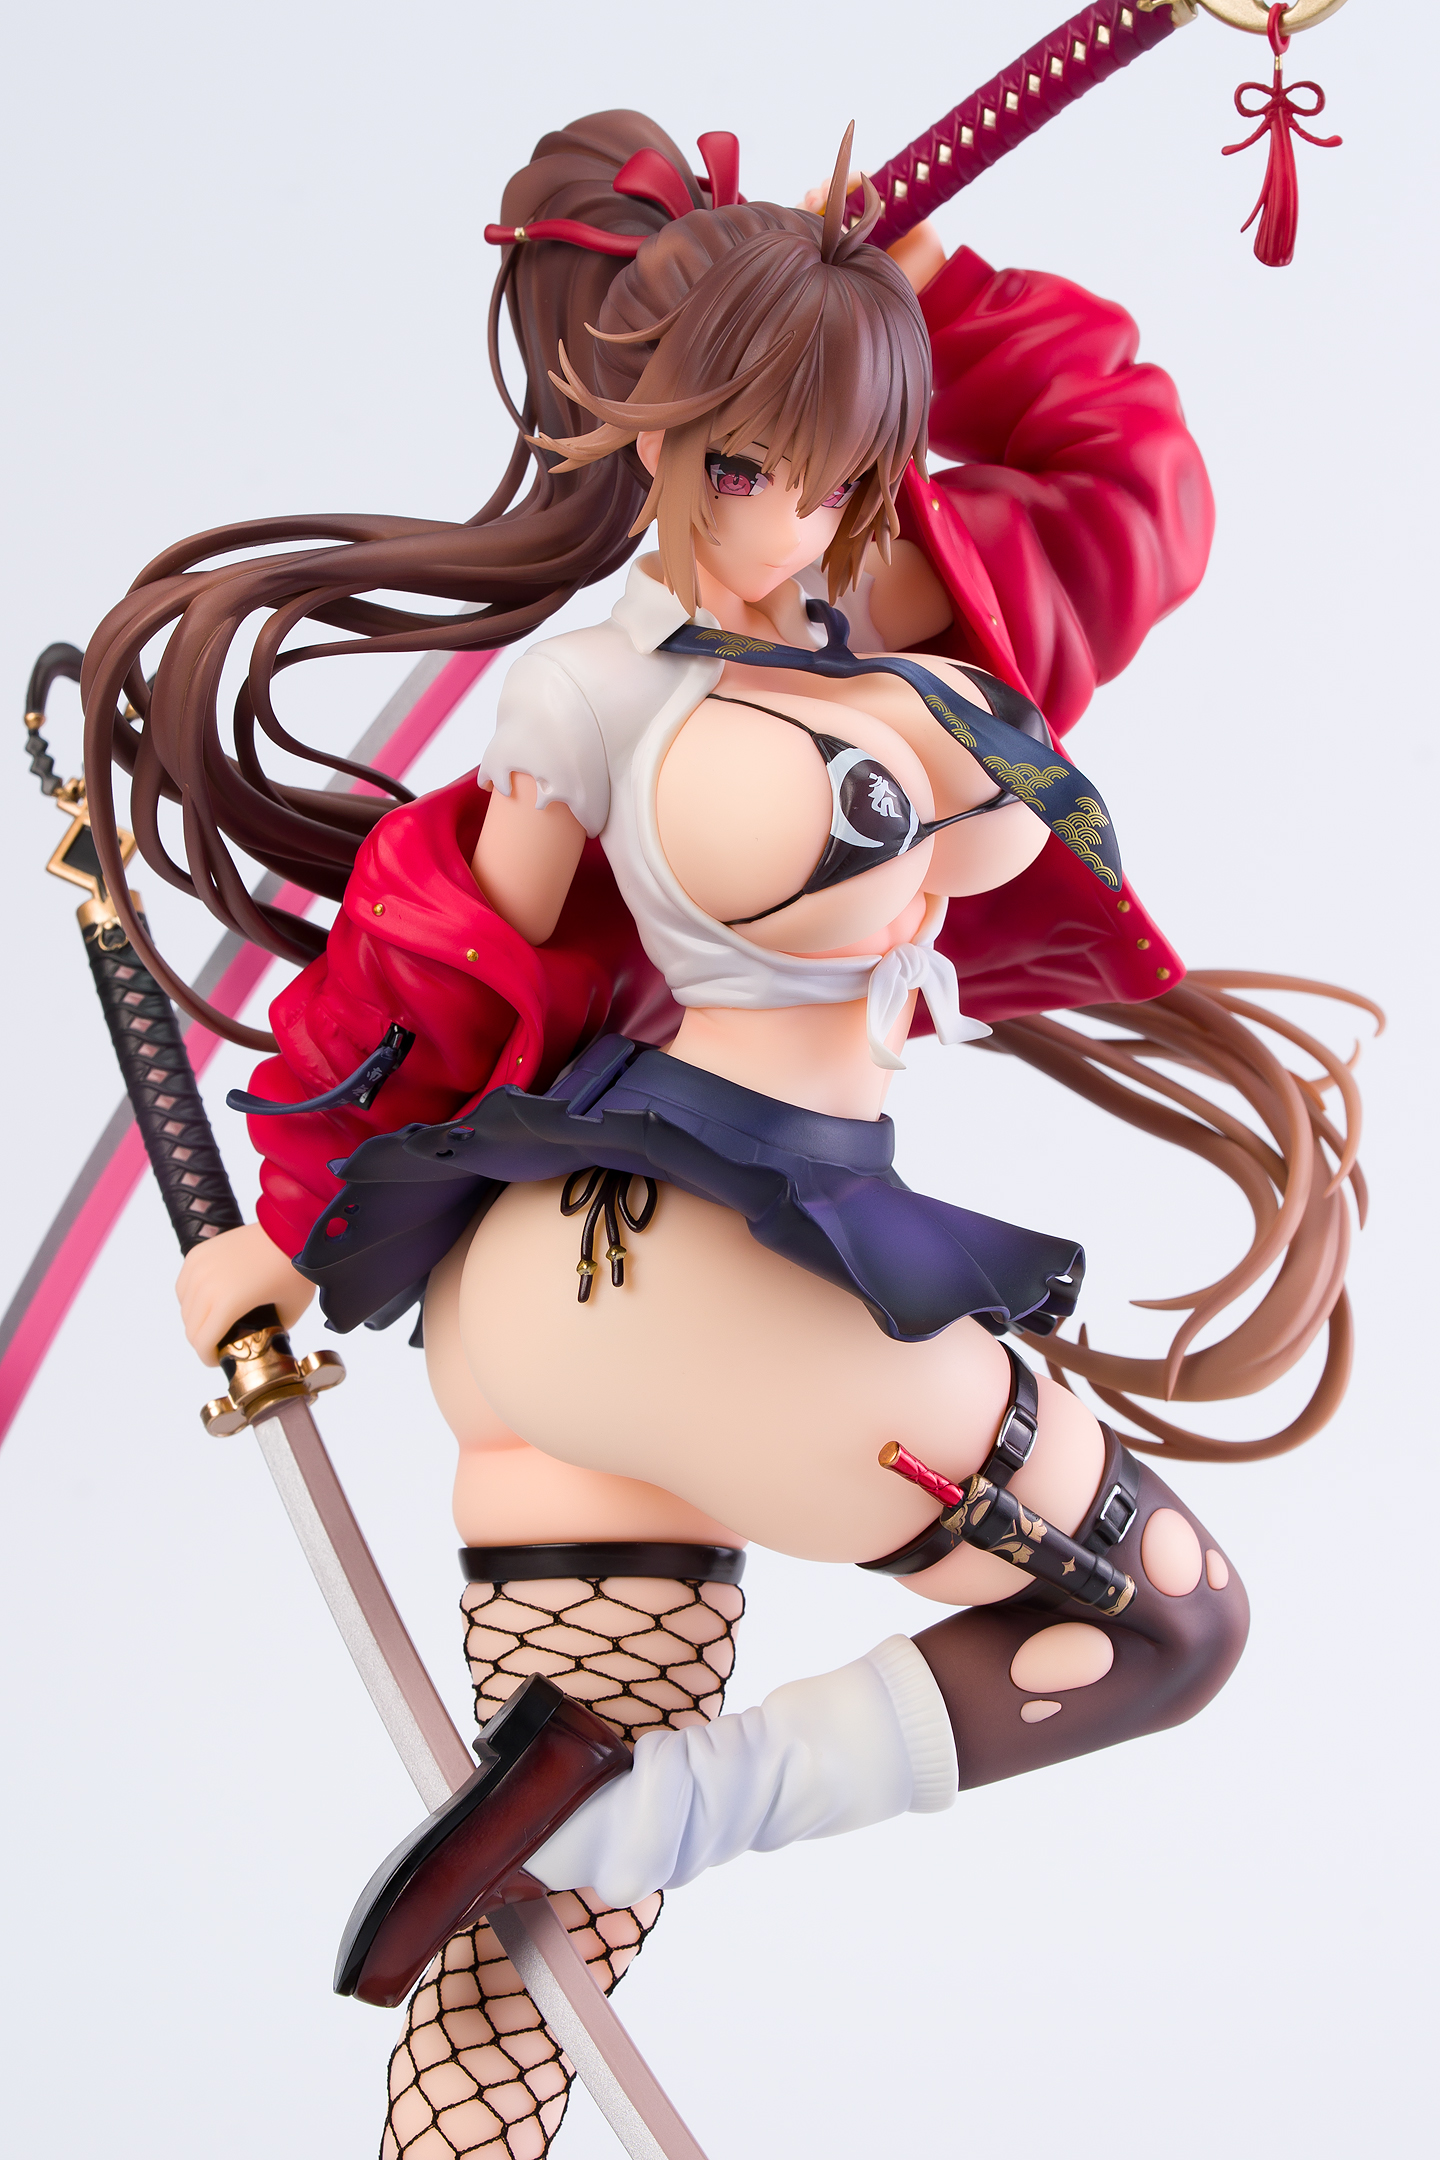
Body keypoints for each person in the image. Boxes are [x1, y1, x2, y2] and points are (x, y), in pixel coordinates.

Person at [81, 110, 1361, 2160]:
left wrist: (934, 287)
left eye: (842, 473)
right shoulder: (606, 692)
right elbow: (435, 956)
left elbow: (1132, 482)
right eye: (755, 465)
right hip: (727, 1283)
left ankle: (567, 1865)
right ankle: (651, 1803)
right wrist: (288, 1231)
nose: (800, 518)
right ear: (651, 432)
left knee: (539, 1959)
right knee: (1171, 1618)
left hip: (549, 1319)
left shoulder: (859, 612)